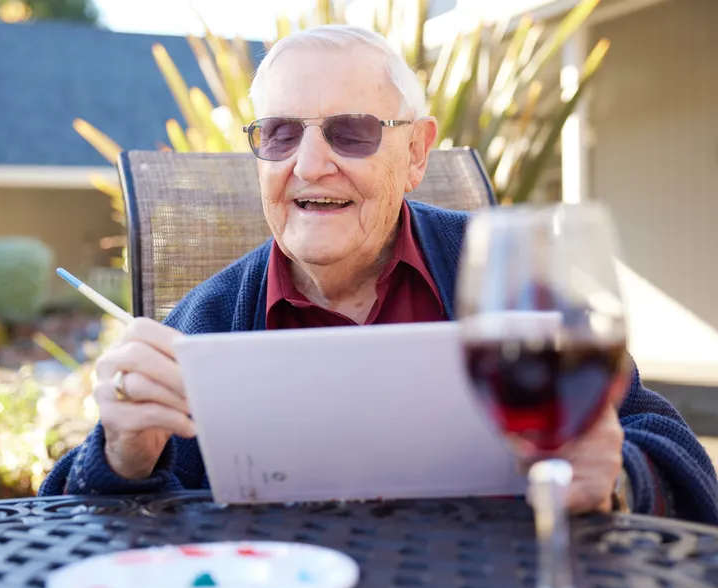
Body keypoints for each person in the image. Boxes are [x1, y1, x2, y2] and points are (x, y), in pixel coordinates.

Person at [39, 25, 718, 524]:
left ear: (416, 152)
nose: (308, 165)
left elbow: (682, 466)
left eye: (352, 132)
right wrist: (124, 455)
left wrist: (617, 476)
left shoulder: (511, 283)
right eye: (278, 134)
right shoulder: (204, 323)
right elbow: (67, 522)